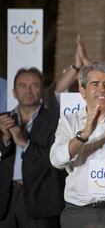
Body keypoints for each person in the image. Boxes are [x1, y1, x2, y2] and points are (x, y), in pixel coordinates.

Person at [50, 61, 105, 228]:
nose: (102, 89)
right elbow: (56, 160)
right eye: (95, 84)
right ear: (82, 90)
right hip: (78, 212)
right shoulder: (69, 122)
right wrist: (84, 134)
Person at [0, 67, 65, 228]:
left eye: (34, 85)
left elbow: (56, 161)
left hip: (40, 203)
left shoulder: (56, 121)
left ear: (42, 90)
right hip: (5, 201)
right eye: (22, 86)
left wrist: (24, 143)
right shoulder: (2, 121)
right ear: (14, 92)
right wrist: (5, 139)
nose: (28, 90)